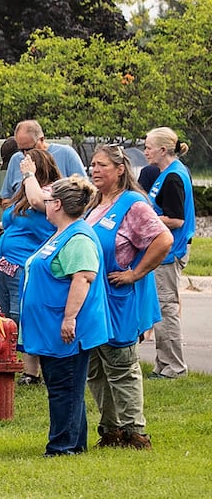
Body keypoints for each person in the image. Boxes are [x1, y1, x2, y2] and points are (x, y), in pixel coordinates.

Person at [85, 145, 171, 450]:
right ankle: (111, 430)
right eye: (93, 164)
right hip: (94, 300)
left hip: (118, 298)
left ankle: (135, 433)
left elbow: (163, 239)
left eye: (102, 165)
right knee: (95, 368)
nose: (94, 170)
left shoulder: (133, 204)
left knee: (121, 366)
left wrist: (135, 273)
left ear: (120, 169)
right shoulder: (96, 201)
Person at [20, 175, 111, 456]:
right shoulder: (63, 233)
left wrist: (70, 318)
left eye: (47, 200)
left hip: (65, 330)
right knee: (64, 387)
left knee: (65, 388)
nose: (43, 205)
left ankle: (63, 447)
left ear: (57, 204)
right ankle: (73, 442)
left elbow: (83, 278)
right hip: (51, 328)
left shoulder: (79, 238)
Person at [0, 148, 61, 385]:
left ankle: (35, 372)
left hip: (24, 266)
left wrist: (30, 175)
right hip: (4, 266)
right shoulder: (25, 192)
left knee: (25, 318)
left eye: (26, 169)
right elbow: (15, 218)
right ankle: (18, 366)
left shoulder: (49, 193)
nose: (22, 174)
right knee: (10, 318)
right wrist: (1, 227)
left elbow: (37, 203)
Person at [142, 126, 195, 379]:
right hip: (164, 249)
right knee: (160, 307)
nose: (145, 152)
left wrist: (145, 219)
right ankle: (163, 364)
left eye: (148, 147)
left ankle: (175, 367)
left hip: (171, 250)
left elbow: (176, 219)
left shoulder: (173, 177)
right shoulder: (167, 173)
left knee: (166, 308)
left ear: (163, 150)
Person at [0, 120, 86, 205]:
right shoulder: (16, 159)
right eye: (21, 150)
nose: (26, 154)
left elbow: (84, 191)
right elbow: (6, 198)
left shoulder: (66, 154)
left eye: (30, 149)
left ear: (41, 139)